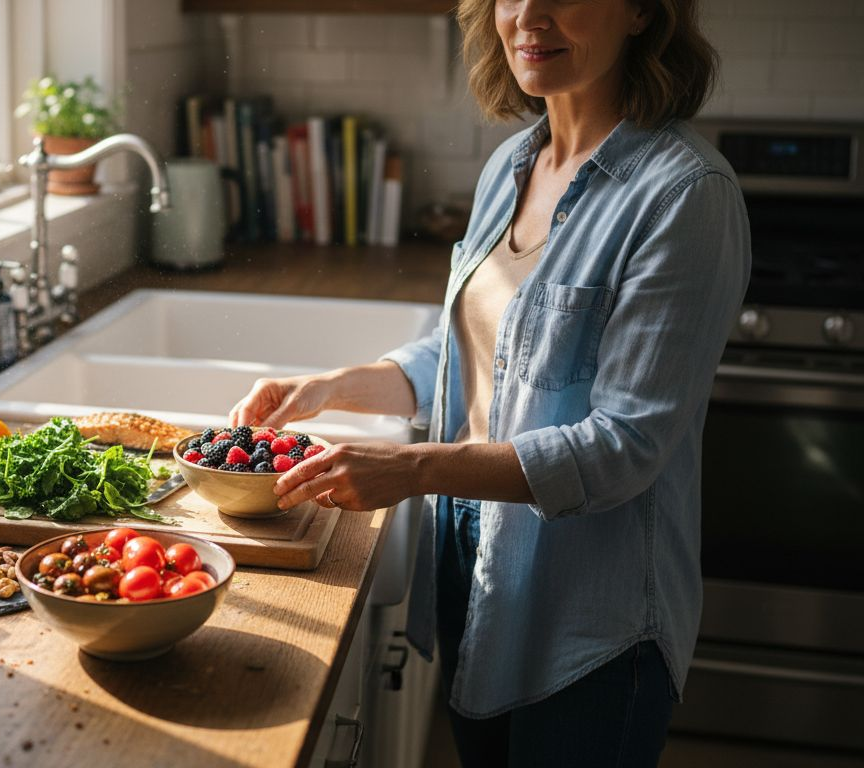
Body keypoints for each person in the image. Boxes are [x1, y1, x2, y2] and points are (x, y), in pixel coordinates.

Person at [228, 0, 750, 765]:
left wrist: (412, 469)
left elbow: (624, 447)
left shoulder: (684, 195)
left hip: (590, 623)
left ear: (641, 12)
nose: (530, 16)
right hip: (477, 573)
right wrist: (332, 387)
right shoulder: (509, 166)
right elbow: (470, 356)